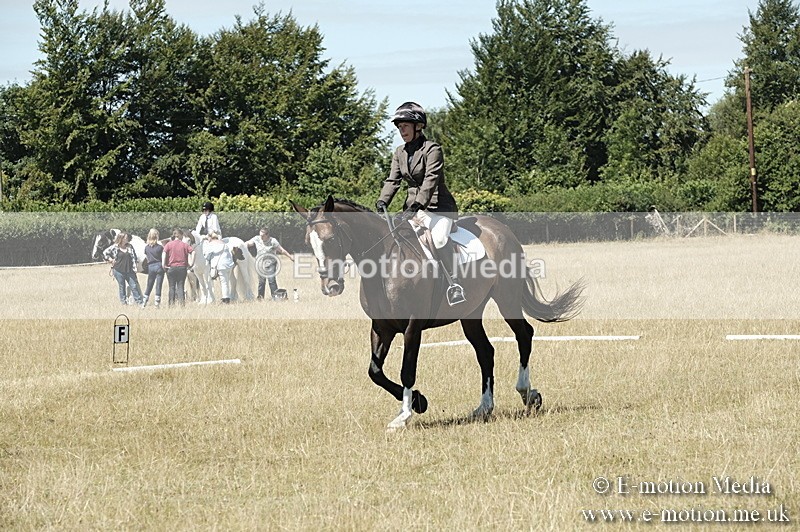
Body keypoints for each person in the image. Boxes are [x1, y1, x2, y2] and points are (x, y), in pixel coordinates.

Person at [375, 101, 465, 305]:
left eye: (405, 125)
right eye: (399, 127)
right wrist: (383, 200)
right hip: (412, 209)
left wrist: (418, 204)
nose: (401, 130)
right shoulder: (399, 152)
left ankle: (454, 284)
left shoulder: (433, 149)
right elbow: (393, 180)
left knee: (440, 239)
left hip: (438, 208)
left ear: (418, 126)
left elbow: (430, 180)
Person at [247, 227, 294, 300]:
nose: (261, 237)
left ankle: (275, 297)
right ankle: (260, 297)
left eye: (262, 236)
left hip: (271, 263)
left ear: (267, 235)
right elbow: (248, 243)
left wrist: (290, 257)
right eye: (260, 235)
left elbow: (281, 250)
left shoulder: (273, 241)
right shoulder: (257, 239)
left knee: (271, 280)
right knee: (261, 282)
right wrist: (242, 245)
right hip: (260, 264)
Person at [103, 232, 144, 306]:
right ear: (121, 239)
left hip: (130, 270)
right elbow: (105, 253)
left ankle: (139, 302)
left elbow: (134, 257)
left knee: (134, 286)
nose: (127, 239)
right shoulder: (115, 247)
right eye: (125, 238)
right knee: (122, 287)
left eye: (127, 237)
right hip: (119, 270)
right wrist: (111, 260)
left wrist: (135, 266)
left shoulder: (130, 247)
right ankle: (123, 303)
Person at [162, 228, 194, 306]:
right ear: (180, 235)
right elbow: (193, 251)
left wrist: (163, 264)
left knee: (171, 286)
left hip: (171, 267)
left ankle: (171, 304)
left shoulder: (169, 244)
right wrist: (191, 263)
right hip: (182, 267)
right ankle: (182, 304)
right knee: (181, 286)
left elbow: (164, 253)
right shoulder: (184, 245)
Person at [202, 232, 234, 303]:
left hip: (220, 266)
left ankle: (226, 299)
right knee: (226, 281)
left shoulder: (211, 245)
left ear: (210, 237)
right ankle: (227, 297)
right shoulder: (223, 243)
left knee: (223, 282)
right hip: (229, 265)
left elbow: (206, 256)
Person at [141, 228, 165, 308]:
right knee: (158, 285)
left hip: (150, 266)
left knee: (149, 285)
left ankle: (144, 302)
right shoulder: (160, 247)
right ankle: (157, 303)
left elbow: (147, 257)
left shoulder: (146, 248)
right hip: (159, 265)